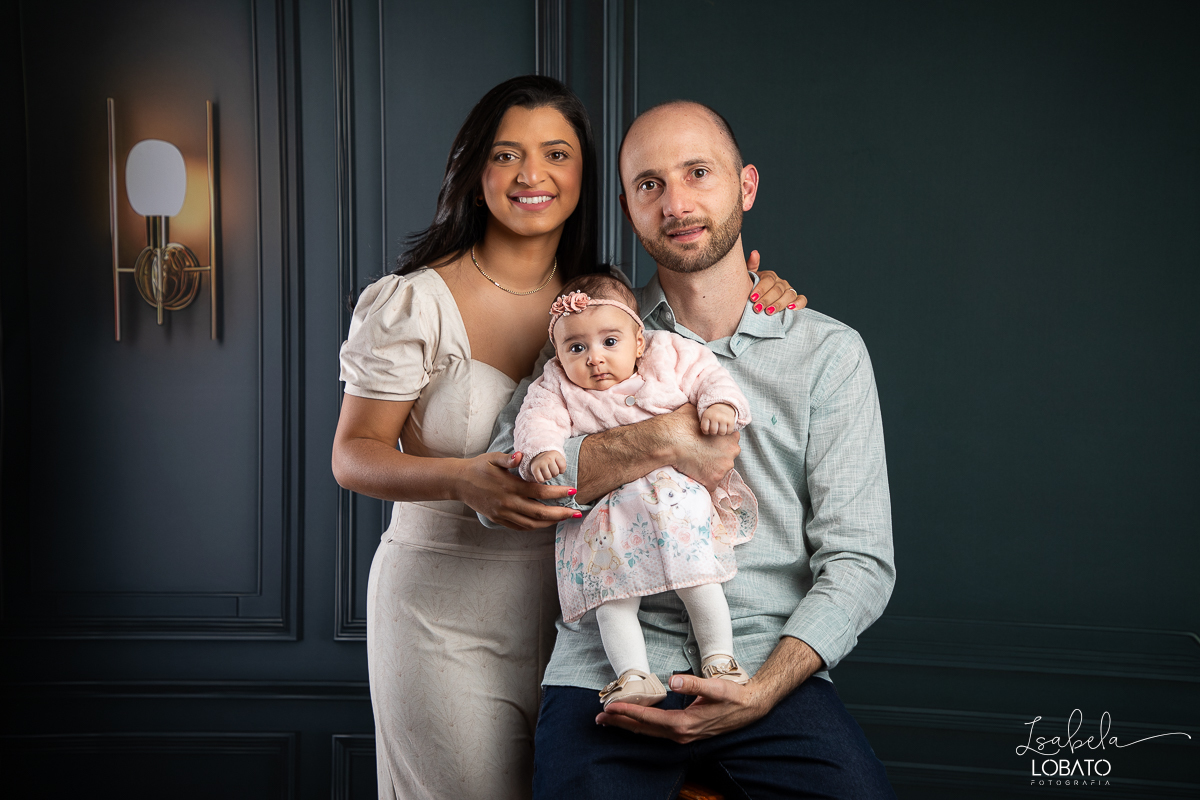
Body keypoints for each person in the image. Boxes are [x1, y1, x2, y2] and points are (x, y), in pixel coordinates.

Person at [331, 76, 803, 800]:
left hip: (581, 618)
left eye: (557, 154)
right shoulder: (412, 301)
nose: (533, 175)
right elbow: (352, 455)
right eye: (506, 155)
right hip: (445, 610)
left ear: (585, 177)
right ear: (474, 171)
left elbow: (702, 318)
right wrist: (461, 477)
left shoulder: (605, 303)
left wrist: (764, 289)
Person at [484, 100, 896, 799]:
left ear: (746, 186)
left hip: (762, 664)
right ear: (629, 208)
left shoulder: (828, 353)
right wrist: (667, 438)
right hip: (605, 669)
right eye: (649, 185)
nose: (675, 204)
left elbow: (860, 561)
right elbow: (505, 488)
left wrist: (764, 691)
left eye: (698, 173)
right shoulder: (588, 334)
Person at [513, 273, 759, 710]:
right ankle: (633, 675)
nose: (595, 358)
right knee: (611, 600)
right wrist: (542, 451)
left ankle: (720, 659)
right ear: (558, 354)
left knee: (699, 579)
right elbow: (536, 417)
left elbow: (707, 373)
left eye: (610, 342)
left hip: (673, 502)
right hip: (608, 516)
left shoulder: (667, 352)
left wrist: (719, 403)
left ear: (639, 341)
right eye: (576, 348)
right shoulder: (555, 383)